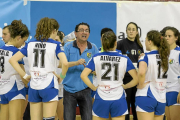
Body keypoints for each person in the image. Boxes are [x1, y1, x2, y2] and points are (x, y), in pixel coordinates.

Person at [9, 17, 69, 120]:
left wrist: (25, 75)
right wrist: (61, 76)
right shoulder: (56, 44)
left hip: (34, 84)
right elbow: (65, 63)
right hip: (49, 84)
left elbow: (12, 60)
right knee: (49, 118)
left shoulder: (30, 43)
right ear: (54, 30)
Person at [81, 31, 138, 120]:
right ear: (116, 43)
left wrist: (93, 87)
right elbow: (136, 79)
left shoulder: (96, 57)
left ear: (102, 43)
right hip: (118, 97)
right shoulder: (124, 59)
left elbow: (83, 75)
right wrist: (125, 86)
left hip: (101, 96)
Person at [63, 22, 98, 120]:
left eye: (86, 30)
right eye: (81, 30)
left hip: (86, 89)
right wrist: (76, 63)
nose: (84, 32)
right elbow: (61, 65)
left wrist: (93, 71)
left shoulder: (94, 48)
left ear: (89, 34)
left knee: (88, 118)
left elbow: (98, 68)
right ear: (75, 33)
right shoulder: (67, 46)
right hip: (69, 89)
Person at [136, 30, 169, 120]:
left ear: (150, 42)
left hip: (147, 95)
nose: (145, 42)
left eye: (146, 39)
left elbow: (142, 72)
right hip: (161, 97)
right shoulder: (165, 57)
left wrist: (141, 84)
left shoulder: (145, 56)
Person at [0, 20, 29, 120]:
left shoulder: (1, 49)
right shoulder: (17, 52)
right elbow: (23, 76)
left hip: (2, 90)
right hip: (15, 90)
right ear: (18, 37)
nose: (23, 44)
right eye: (23, 40)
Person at [117, 22, 144, 120]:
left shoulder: (139, 45)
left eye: (133, 29)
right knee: (126, 103)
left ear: (137, 32)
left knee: (136, 103)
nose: (131, 31)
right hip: (125, 79)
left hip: (137, 79)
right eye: (129, 29)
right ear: (126, 31)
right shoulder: (120, 43)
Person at [164, 27, 180, 120]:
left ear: (176, 38)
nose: (167, 38)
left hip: (175, 90)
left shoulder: (178, 53)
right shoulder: (162, 53)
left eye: (169, 36)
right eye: (165, 36)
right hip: (163, 91)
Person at [54, 31, 65, 120]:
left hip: (61, 86)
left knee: (61, 117)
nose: (55, 42)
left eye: (57, 40)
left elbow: (66, 65)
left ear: (62, 41)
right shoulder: (48, 51)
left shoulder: (64, 52)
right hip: (49, 85)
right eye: (54, 40)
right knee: (52, 116)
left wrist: (61, 77)